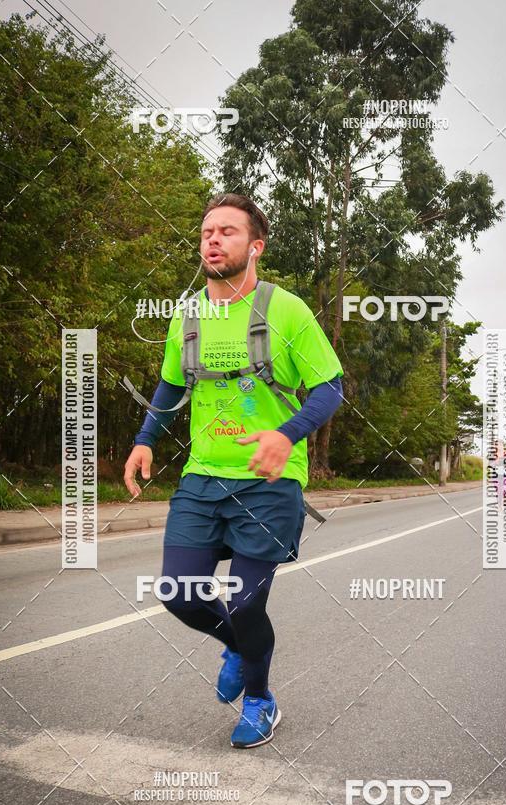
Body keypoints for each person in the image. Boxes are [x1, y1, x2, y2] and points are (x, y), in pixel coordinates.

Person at [124, 194, 344, 749]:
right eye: (206, 232)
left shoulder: (286, 310)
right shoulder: (189, 313)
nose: (213, 240)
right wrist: (144, 440)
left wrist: (285, 434)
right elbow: (172, 383)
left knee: (247, 602)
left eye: (227, 231)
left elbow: (329, 389)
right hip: (203, 478)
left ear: (255, 246)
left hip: (269, 480)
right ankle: (240, 649)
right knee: (179, 593)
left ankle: (261, 700)